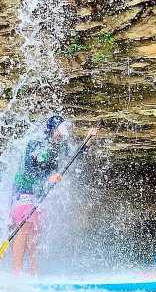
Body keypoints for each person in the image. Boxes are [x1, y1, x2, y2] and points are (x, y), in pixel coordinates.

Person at [9, 116, 97, 275]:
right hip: (23, 189)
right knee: (24, 227)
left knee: (35, 228)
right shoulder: (36, 144)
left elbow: (74, 155)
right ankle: (17, 272)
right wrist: (47, 178)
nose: (62, 134)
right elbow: (29, 170)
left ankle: (33, 272)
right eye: (59, 130)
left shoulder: (60, 145)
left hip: (38, 192)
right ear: (52, 130)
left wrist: (87, 141)